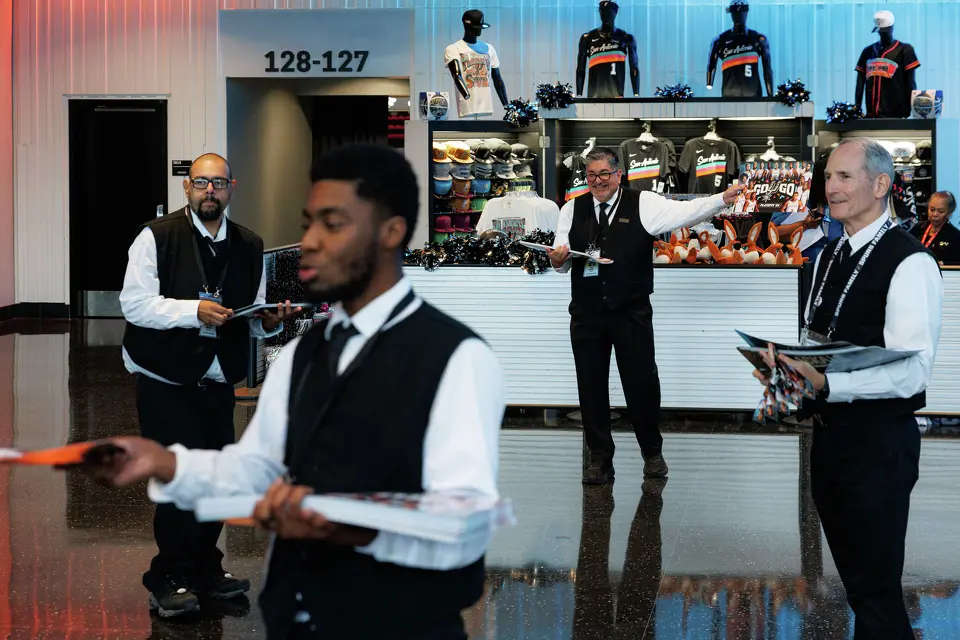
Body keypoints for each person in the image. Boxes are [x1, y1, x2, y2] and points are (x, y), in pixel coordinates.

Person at [92, 144, 505, 639]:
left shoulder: (455, 358)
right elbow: (252, 466)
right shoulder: (306, 356)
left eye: (334, 224)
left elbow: (462, 527)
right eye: (310, 222)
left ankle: (202, 566)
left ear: (391, 232)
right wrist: (168, 465)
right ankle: (178, 572)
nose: (309, 242)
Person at [752, 138, 942, 639]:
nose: (829, 188)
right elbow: (821, 341)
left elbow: (913, 373)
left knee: (876, 596)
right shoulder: (828, 253)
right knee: (859, 589)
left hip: (878, 449)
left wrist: (827, 382)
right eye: (828, 177)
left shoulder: (910, 263)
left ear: (881, 185)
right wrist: (787, 372)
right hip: (830, 441)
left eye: (843, 177)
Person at [119, 153, 299, 616]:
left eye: (218, 183)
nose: (209, 191)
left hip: (218, 380)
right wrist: (190, 311)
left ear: (232, 187)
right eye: (201, 183)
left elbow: (251, 317)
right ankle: (169, 577)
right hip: (166, 377)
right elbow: (135, 306)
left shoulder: (249, 244)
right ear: (187, 188)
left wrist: (270, 323)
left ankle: (206, 568)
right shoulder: (155, 237)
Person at [548, 148, 743, 484]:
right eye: (591, 175)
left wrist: (721, 199)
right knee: (590, 388)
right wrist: (557, 259)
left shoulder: (644, 203)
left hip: (631, 312)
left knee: (641, 384)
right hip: (587, 313)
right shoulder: (571, 209)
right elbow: (562, 260)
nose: (597, 182)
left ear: (618, 174)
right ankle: (599, 460)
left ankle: (652, 452)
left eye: (604, 175)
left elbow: (685, 212)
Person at [911, 191, 960, 265]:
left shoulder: (955, 236)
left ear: (950, 212)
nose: (935, 214)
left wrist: (944, 264)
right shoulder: (917, 228)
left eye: (940, 211)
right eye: (932, 209)